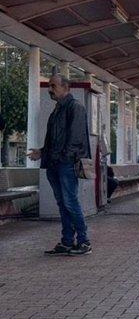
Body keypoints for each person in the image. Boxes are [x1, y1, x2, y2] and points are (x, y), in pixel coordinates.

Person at [27, 74, 92, 255]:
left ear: (65, 87)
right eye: (49, 86)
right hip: (54, 164)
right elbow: (54, 140)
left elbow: (75, 139)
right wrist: (42, 152)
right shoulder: (56, 111)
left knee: (70, 202)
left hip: (66, 164)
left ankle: (84, 241)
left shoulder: (75, 108)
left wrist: (64, 157)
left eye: (53, 86)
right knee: (63, 204)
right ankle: (67, 241)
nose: (50, 89)